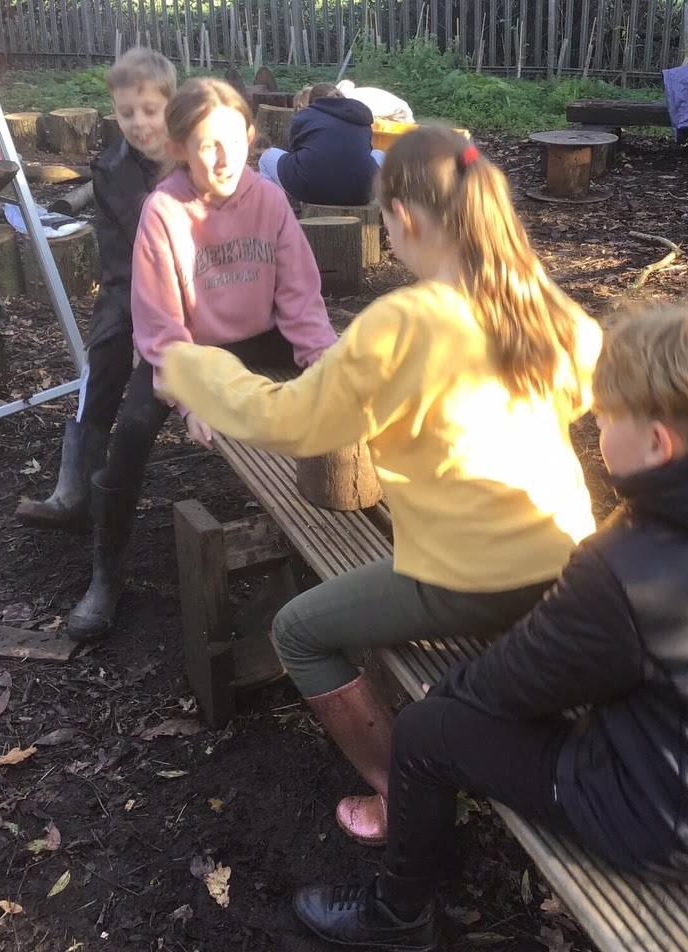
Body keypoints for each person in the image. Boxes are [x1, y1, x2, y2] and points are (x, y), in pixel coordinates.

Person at [287, 299, 688, 950]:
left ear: (657, 443)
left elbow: (501, 689)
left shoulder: (626, 564)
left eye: (607, 419)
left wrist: (451, 688)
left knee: (426, 730)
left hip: (676, 821)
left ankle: (395, 916)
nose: (597, 430)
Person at [159, 127, 602, 846]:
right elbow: (581, 391)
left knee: (298, 632)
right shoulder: (536, 296)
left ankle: (404, 791)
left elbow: (294, 422)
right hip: (573, 559)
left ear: (403, 217)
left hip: (476, 576)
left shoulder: (405, 320)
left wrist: (192, 368)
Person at [65, 77, 337, 640]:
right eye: (207, 145)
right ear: (179, 150)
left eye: (235, 141)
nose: (224, 158)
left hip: (259, 335)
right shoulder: (163, 212)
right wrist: (192, 398)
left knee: (345, 366)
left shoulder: (269, 199)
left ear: (253, 138)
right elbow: (160, 328)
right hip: (188, 347)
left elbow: (301, 301)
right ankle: (106, 571)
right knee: (133, 431)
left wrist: (326, 365)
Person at [16, 48, 177, 531]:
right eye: (127, 112)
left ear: (171, 106)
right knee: (104, 351)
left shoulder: (192, 157)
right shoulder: (112, 170)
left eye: (150, 110)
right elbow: (122, 258)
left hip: (192, 295)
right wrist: (131, 323)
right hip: (131, 290)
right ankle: (75, 488)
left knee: (148, 387)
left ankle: (119, 469)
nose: (139, 123)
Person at [257, 83, 385, 205]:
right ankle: (379, 212)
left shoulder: (305, 115)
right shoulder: (361, 116)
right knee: (380, 155)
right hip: (360, 193)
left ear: (312, 101)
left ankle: (273, 214)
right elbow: (366, 150)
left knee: (266, 156)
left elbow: (294, 149)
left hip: (310, 189)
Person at [336, 79, 414, 123]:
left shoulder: (354, 99)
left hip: (400, 111)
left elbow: (366, 117)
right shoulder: (355, 94)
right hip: (395, 109)